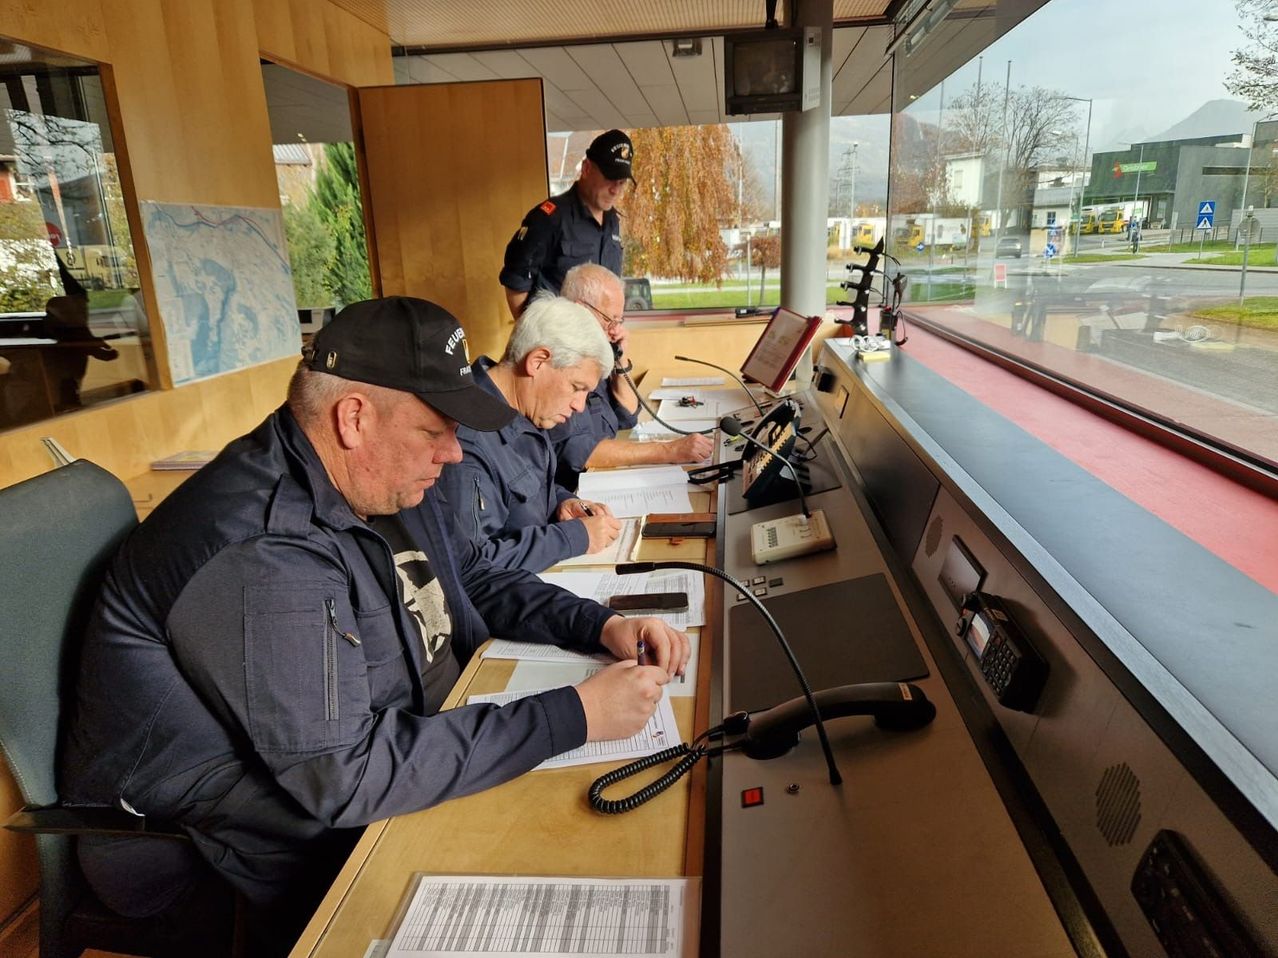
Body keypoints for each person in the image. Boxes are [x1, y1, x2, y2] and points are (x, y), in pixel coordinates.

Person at [60, 296, 690, 955]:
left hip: (366, 756)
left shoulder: (370, 479)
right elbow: (344, 776)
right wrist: (575, 718)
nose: (453, 454)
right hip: (216, 843)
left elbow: (469, 581)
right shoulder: (260, 549)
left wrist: (597, 626)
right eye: (434, 429)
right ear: (354, 418)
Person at [433, 295, 622, 572]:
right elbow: (473, 566)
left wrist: (563, 502)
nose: (579, 406)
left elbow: (524, 493)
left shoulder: (526, 407)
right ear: (537, 361)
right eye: (576, 387)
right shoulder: (466, 439)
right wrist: (574, 538)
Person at [551, 264, 713, 490]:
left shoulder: (594, 352)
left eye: (620, 321)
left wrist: (620, 356)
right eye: (610, 319)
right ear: (581, 311)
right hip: (575, 490)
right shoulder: (559, 359)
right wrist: (669, 450)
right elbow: (579, 451)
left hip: (606, 475)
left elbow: (627, 416)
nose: (615, 329)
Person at [499, 129, 633, 317]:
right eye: (610, 179)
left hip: (603, 342)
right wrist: (536, 336)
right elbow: (516, 281)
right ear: (586, 169)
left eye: (622, 182)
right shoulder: (549, 218)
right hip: (563, 341)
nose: (616, 190)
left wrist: (617, 327)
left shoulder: (612, 223)